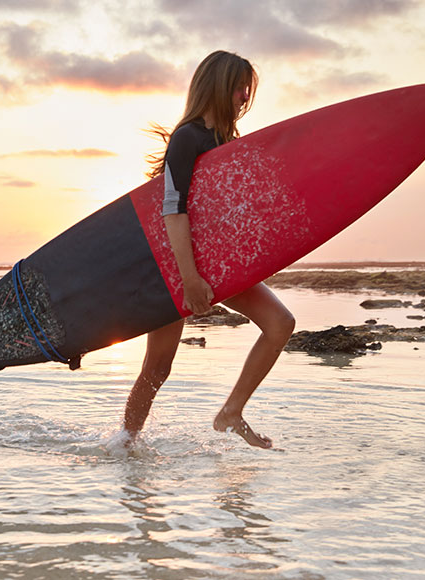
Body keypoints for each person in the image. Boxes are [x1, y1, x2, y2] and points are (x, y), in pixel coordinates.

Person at [123, 51, 295, 449]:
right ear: (218, 87)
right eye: (239, 88)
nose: (244, 96)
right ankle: (125, 446)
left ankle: (231, 412)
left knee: (280, 324)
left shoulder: (226, 142)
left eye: (247, 90)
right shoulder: (187, 138)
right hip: (178, 267)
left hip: (217, 266)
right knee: (158, 367)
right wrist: (189, 279)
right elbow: (173, 208)